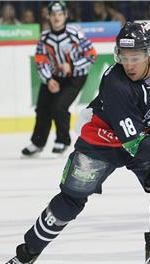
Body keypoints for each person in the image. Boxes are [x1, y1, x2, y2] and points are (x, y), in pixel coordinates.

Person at [0, 22, 150, 264]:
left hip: (144, 134)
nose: (129, 65)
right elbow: (134, 143)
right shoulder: (115, 82)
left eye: (135, 58)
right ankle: (28, 252)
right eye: (124, 58)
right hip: (102, 141)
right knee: (70, 201)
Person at [21, 1, 97, 157]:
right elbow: (40, 60)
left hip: (76, 76)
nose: (57, 17)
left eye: (60, 14)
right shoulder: (44, 37)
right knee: (42, 109)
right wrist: (48, 80)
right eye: (53, 14)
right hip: (54, 77)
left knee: (59, 107)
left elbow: (91, 55)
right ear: (48, 16)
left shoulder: (75, 34)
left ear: (66, 16)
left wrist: (73, 65)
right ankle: (37, 143)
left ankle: (63, 140)